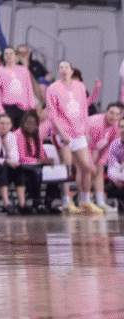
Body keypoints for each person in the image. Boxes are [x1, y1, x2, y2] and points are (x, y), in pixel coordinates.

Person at [46, 59, 98, 213]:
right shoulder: (53, 89)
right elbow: (52, 115)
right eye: (60, 67)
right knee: (66, 166)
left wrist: (86, 132)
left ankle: (85, 200)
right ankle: (66, 201)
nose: (63, 70)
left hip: (79, 132)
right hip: (63, 133)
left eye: (66, 67)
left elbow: (84, 111)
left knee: (87, 167)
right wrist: (62, 134)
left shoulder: (80, 86)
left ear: (71, 71)